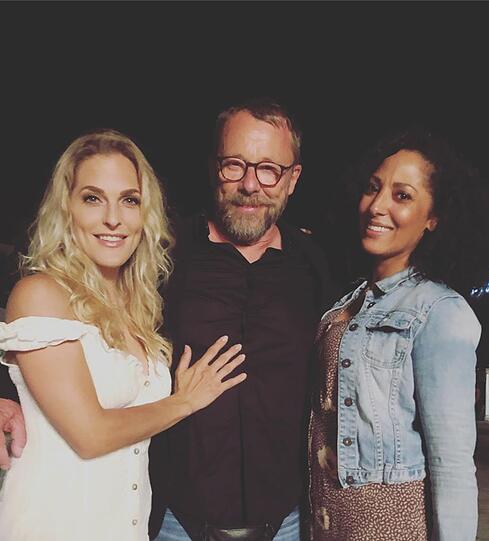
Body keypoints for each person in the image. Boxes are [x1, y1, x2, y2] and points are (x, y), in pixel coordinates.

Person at [0, 130, 247, 540]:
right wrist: (184, 401)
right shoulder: (40, 294)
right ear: (66, 208)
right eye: (93, 198)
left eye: (129, 200)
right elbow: (90, 435)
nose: (113, 218)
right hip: (52, 524)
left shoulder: (137, 306)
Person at [148, 98, 335, 540]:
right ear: (214, 167)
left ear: (292, 179)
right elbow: (81, 308)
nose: (250, 185)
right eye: (234, 165)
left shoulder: (316, 265)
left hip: (286, 522)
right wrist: (8, 396)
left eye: (269, 169)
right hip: (176, 520)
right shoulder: (162, 253)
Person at [309, 127, 489, 540]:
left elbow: (452, 465)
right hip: (328, 525)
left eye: (402, 196)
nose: (377, 206)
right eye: (373, 188)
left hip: (394, 527)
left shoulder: (439, 311)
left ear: (433, 218)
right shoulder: (348, 302)